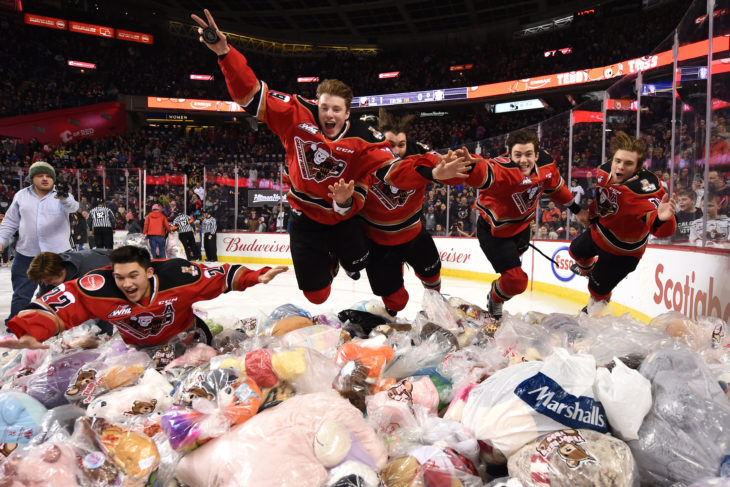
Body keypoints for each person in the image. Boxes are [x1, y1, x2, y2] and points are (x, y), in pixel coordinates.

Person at [192, 9, 467, 304]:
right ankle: (329, 265)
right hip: (305, 214)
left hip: (342, 217)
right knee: (317, 296)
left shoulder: (364, 138)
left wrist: (432, 173)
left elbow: (393, 172)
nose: (329, 115)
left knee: (360, 263)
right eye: (324, 107)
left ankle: (341, 256)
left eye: (337, 110)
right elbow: (250, 94)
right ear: (317, 104)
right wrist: (224, 52)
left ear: (347, 113)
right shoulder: (295, 113)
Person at [2, 245, 288, 349]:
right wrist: (31, 332)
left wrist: (256, 276)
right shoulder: (96, 287)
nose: (126, 284)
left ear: (150, 272)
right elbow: (58, 304)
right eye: (120, 277)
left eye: (134, 276)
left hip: (190, 340)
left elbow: (219, 276)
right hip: (139, 351)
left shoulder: (177, 275)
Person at [453, 130, 588, 319]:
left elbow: (557, 189)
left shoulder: (547, 165)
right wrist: (469, 167)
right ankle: (494, 299)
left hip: (522, 229)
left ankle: (500, 292)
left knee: (512, 279)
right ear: (509, 155)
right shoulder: (502, 168)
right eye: (517, 155)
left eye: (528, 155)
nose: (523, 160)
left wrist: (577, 210)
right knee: (515, 281)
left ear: (537, 155)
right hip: (494, 231)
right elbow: (483, 170)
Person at [356, 109, 463, 315]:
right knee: (396, 302)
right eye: (390, 144)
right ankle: (390, 312)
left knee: (433, 280)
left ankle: (435, 313)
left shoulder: (421, 154)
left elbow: (444, 168)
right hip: (378, 242)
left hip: (413, 234)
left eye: (401, 145)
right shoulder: (366, 155)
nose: (395, 150)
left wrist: (455, 168)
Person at [569, 132, 677, 313]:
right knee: (575, 251)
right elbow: (600, 197)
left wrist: (664, 219)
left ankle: (596, 304)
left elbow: (661, 228)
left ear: (637, 167)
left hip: (622, 252)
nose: (620, 167)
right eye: (617, 161)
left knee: (597, 292)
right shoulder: (604, 170)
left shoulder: (644, 191)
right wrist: (592, 214)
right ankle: (591, 274)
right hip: (600, 231)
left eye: (628, 164)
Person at [0, 161, 79, 326]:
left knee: (58, 293)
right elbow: (10, 221)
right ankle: (16, 327)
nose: (45, 179)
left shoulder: (62, 194)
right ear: (32, 178)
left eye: (49, 176)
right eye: (40, 175)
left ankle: (56, 326)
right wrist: (1, 240)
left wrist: (64, 197)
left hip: (57, 254)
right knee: (21, 294)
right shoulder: (21, 196)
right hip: (26, 253)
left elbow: (73, 207)